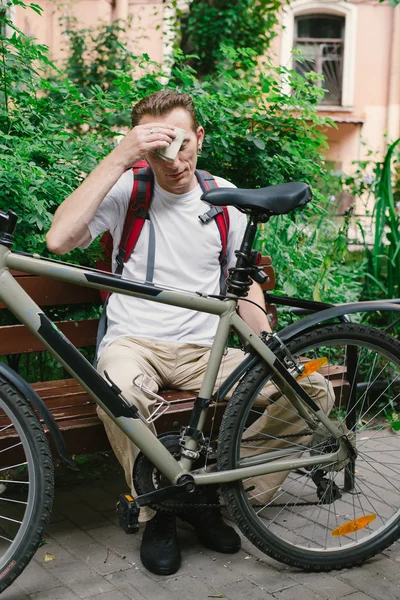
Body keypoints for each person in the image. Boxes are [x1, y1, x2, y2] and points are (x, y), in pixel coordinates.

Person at [46, 90, 333, 576]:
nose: (174, 159)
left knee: (313, 390)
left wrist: (269, 348)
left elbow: (243, 291)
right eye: (160, 146)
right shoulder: (129, 190)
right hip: (136, 345)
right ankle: (160, 509)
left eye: (184, 143)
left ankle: (218, 495)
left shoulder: (225, 199)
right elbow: (59, 239)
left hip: (207, 351)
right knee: (116, 394)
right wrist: (121, 156)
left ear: (199, 137)